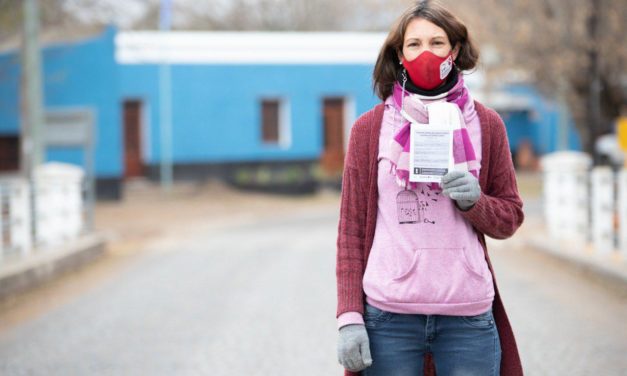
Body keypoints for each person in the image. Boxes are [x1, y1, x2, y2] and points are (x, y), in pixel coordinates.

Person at [335, 1, 524, 375]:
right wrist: (349, 317)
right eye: (414, 44)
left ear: (454, 51)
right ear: (400, 56)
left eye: (437, 43)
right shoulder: (368, 130)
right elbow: (351, 232)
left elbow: (510, 217)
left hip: (467, 318)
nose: (426, 53)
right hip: (389, 319)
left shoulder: (487, 125)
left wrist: (476, 202)